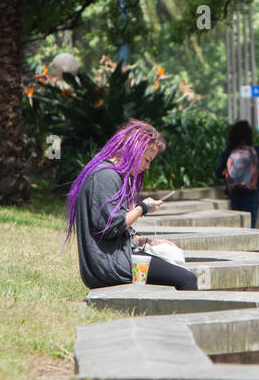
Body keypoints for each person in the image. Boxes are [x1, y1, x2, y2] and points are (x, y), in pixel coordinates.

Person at [66, 119, 198, 291]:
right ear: (136, 150)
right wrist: (142, 208)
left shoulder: (109, 175)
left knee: (176, 267)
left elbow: (114, 230)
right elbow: (112, 226)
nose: (148, 167)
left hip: (114, 260)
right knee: (187, 279)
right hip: (110, 266)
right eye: (147, 160)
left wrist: (148, 242)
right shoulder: (106, 176)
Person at [215, 120, 259, 227]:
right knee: (250, 224)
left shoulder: (228, 152)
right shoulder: (257, 151)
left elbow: (218, 173)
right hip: (252, 192)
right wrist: (257, 176)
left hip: (234, 193)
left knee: (237, 225)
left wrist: (230, 176)